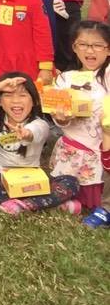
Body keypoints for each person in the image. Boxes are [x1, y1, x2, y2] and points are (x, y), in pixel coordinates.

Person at [0, 76, 80, 214]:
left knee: (71, 182)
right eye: (8, 95)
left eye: (23, 95)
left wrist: (26, 134)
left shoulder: (40, 124)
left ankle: (22, 205)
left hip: (31, 183)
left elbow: (34, 133)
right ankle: (50, 205)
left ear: (34, 101)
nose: (16, 100)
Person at [48, 20, 109, 215]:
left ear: (108, 50)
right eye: (82, 44)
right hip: (73, 148)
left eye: (98, 45)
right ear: (74, 47)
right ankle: (71, 203)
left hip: (102, 147)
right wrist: (62, 117)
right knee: (66, 188)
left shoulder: (107, 76)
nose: (90, 51)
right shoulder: (65, 79)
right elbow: (57, 115)